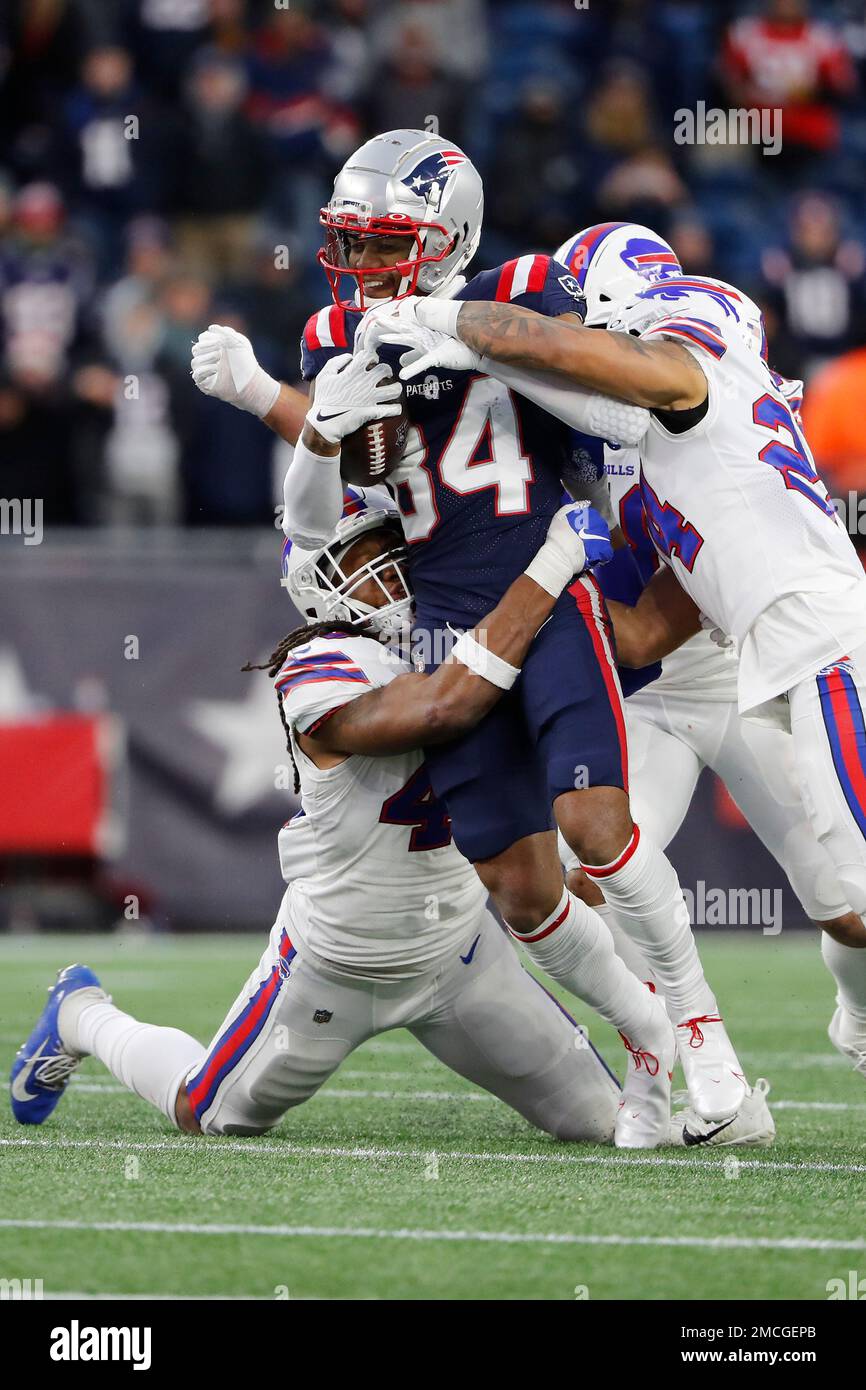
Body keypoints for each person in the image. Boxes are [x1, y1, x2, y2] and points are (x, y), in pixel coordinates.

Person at [190, 129, 748, 1128]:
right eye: (348, 243)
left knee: (594, 824)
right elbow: (326, 521)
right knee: (523, 890)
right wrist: (305, 422)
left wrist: (469, 333)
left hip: (552, 576)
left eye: (381, 243)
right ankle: (648, 1047)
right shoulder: (334, 340)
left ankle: (697, 1032)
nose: (358, 266)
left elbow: (618, 418)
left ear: (445, 240)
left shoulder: (525, 289)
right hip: (444, 618)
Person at [10, 496, 678, 1150]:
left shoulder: (463, 631)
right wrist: (550, 566)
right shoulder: (318, 667)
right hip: (336, 962)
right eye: (364, 558)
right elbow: (444, 708)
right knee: (206, 1110)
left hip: (462, 954)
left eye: (396, 550)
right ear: (317, 584)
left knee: (599, 1122)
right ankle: (81, 1014)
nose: (391, 571)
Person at [396, 240, 866, 1090]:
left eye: (581, 311)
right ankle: (678, 1051)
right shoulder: (611, 427)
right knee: (594, 871)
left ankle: (857, 1016)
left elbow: (623, 372)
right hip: (691, 670)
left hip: (786, 645)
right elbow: (645, 630)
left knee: (852, 899)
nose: (568, 325)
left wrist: (445, 319)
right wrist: (533, 597)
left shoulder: (685, 351)